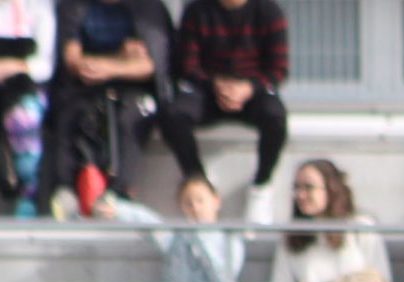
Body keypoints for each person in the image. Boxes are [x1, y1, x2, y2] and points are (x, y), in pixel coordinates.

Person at [152, 0, 286, 223]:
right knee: (173, 115)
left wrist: (249, 87)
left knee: (276, 118)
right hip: (208, 90)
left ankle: (261, 186)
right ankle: (198, 182)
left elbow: (278, 69)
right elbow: (186, 66)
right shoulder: (197, 11)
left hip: (251, 91)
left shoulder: (269, 11)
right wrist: (217, 85)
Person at [40, 0, 171, 217]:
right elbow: (72, 58)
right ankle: (66, 189)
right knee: (71, 113)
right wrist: (121, 57)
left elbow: (150, 66)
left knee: (132, 117)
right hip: (84, 85)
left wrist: (109, 68)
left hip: (132, 88)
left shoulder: (149, 8)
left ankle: (119, 194)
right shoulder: (74, 6)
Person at [271, 158, 388, 282]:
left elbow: (382, 280)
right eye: (297, 188)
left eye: (309, 187)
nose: (300, 195)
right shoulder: (291, 236)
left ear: (331, 188)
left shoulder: (361, 227)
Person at [109, 173, 243, 282]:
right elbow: (150, 222)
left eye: (200, 200)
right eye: (188, 203)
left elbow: (223, 280)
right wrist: (118, 209)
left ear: (216, 201)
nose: (195, 208)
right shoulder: (177, 238)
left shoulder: (230, 239)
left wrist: (200, 239)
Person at [0, 0, 52, 212]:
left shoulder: (38, 9)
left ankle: (26, 197)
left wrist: (15, 67)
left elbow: (45, 65)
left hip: (24, 86)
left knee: (23, 118)